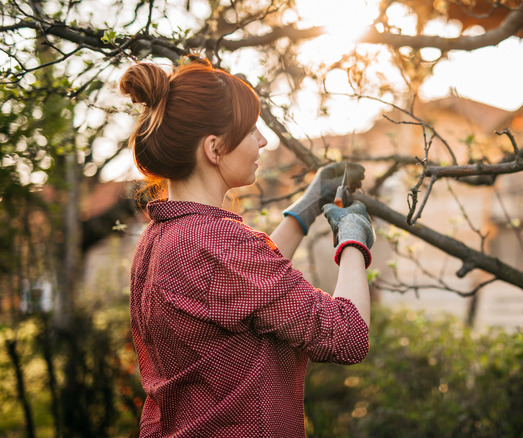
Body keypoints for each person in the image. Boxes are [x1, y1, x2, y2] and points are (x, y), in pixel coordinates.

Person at [120, 56, 375, 437]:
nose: (263, 140)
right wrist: (354, 240)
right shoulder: (217, 243)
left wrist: (306, 207)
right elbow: (347, 336)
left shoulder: (161, 238)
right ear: (215, 148)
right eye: (251, 129)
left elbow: (242, 289)